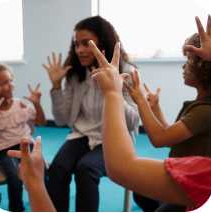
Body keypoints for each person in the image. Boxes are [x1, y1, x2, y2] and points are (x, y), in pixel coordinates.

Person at [88, 40, 211, 211]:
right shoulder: (198, 106)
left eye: (189, 61)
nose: (184, 67)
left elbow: (159, 138)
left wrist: (113, 93)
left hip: (190, 189)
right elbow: (171, 136)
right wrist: (154, 107)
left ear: (206, 69)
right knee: (141, 193)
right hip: (187, 180)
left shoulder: (205, 112)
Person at [42, 15, 139, 211]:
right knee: (57, 169)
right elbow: (61, 120)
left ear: (103, 42)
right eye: (76, 44)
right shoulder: (75, 75)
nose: (79, 50)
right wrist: (55, 86)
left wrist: (112, 91)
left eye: (86, 43)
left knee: (86, 169)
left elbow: (132, 121)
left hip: (115, 139)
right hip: (82, 134)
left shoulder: (127, 71)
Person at [0, 64, 46, 211]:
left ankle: (44, 204)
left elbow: (41, 122)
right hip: (4, 151)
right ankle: (16, 208)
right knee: (15, 177)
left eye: (11, 81)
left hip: (26, 144)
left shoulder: (21, 104)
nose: (11, 85)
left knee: (41, 172)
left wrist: (37, 104)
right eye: (5, 83)